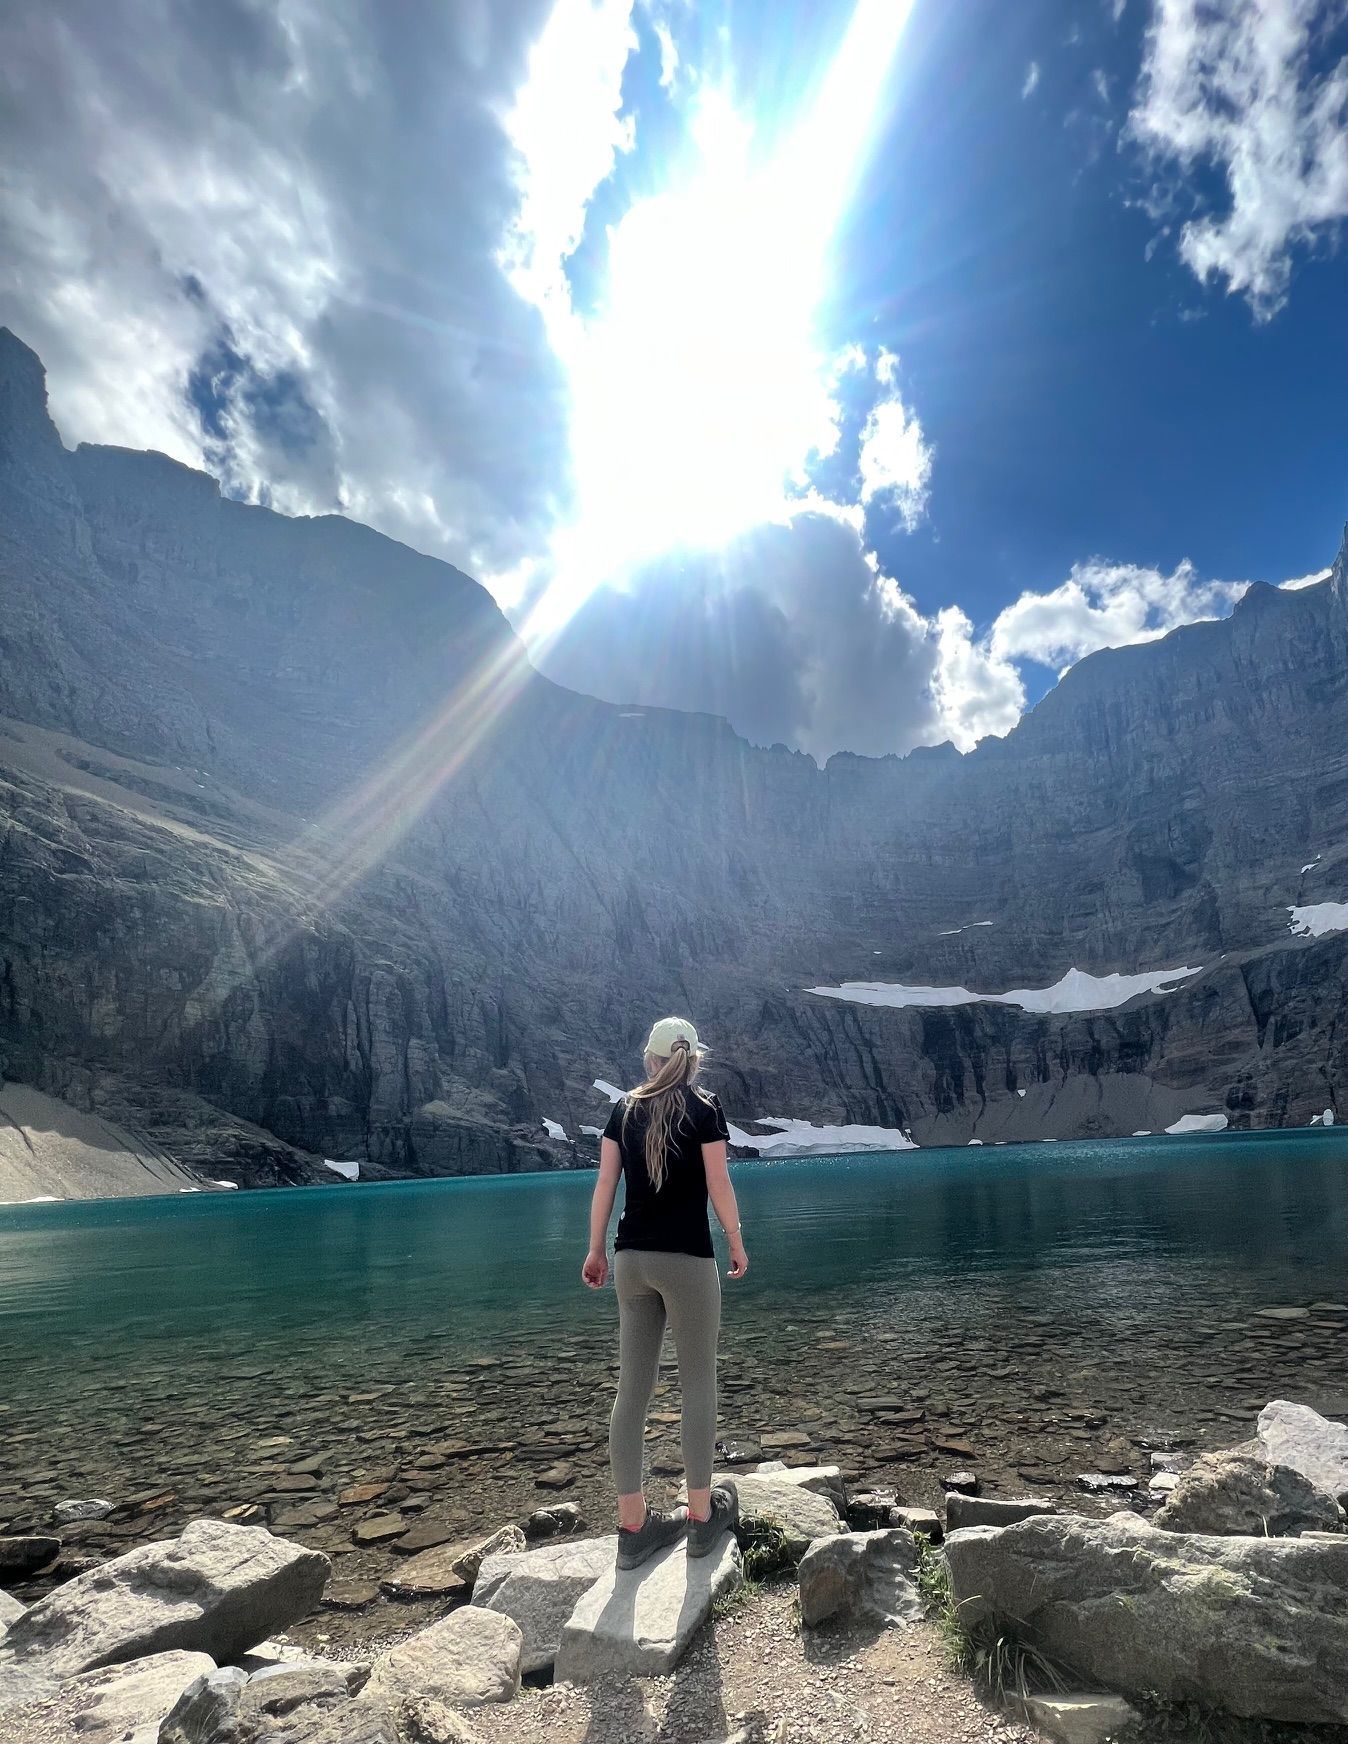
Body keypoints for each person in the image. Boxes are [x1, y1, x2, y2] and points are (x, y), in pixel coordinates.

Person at [582, 1016, 749, 1569]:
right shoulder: (705, 1109)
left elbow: (606, 1183)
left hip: (630, 1260)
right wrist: (736, 1241)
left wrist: (595, 1250)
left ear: (650, 1059)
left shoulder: (623, 1110)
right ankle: (702, 1518)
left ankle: (634, 1528)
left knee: (634, 1389)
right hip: (686, 1260)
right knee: (697, 1381)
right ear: (692, 1060)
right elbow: (719, 1183)